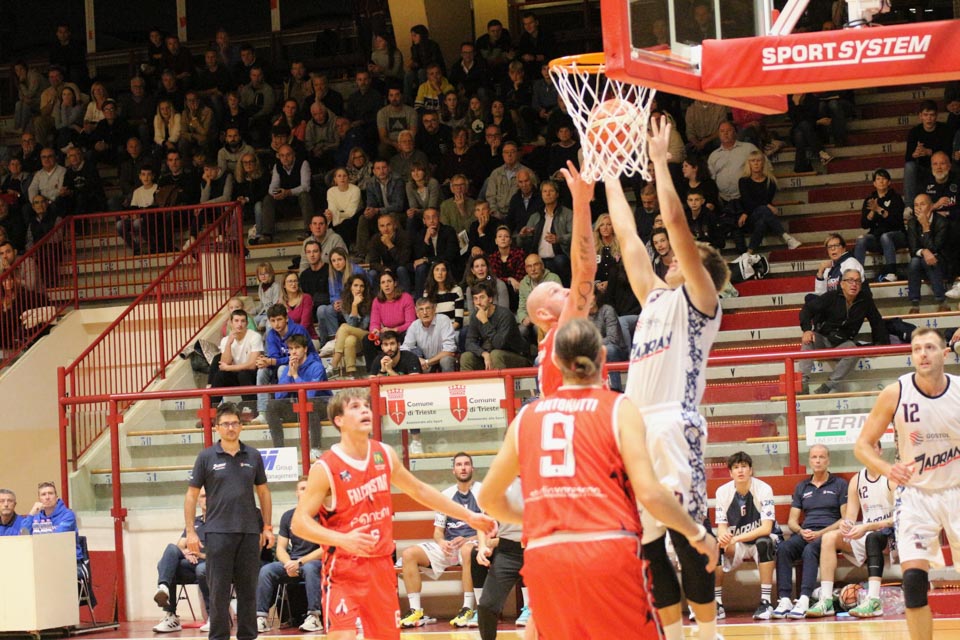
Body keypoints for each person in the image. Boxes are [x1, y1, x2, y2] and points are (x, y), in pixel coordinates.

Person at [478, 319, 718, 640]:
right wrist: (696, 533)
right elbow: (649, 493)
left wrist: (541, 515)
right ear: (603, 356)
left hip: (546, 556)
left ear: (555, 361)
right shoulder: (618, 408)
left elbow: (488, 499)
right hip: (608, 548)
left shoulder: (527, 417)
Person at [606, 116, 730, 640]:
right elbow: (628, 237)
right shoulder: (655, 297)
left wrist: (659, 162)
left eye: (681, 257)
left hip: (675, 425)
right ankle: (675, 635)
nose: (669, 257)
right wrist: (609, 173)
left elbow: (676, 225)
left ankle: (709, 632)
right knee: (649, 541)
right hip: (636, 427)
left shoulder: (701, 300)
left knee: (687, 535)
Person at [291, 389, 496, 640]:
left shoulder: (384, 454)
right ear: (339, 420)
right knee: (342, 635)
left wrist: (469, 516)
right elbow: (299, 523)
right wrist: (342, 539)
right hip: (344, 568)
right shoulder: (326, 467)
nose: (364, 410)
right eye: (355, 407)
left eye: (366, 405)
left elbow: (419, 490)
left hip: (381, 566)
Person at [855, 328, 960, 640]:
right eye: (916, 349)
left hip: (956, 490)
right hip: (915, 496)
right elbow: (862, 445)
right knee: (913, 581)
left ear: (945, 353)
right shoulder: (896, 392)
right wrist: (888, 469)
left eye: (930, 347)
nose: (923, 354)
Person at [185, 403, 275, 640]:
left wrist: (267, 527)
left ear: (241, 426)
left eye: (235, 423)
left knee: (248, 591)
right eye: (225, 424)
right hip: (218, 534)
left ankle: (248, 636)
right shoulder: (206, 457)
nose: (230, 428)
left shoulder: (253, 455)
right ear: (217, 428)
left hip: (249, 533)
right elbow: (191, 496)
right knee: (218, 592)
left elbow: (263, 492)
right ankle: (218, 637)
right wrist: (191, 532)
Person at [523, 161, 595, 391]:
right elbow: (585, 268)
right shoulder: (561, 333)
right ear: (544, 314)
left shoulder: (550, 343)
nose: (566, 290)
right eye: (555, 291)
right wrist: (582, 204)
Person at [806, 442, 895, 618]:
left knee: (873, 537)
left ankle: (873, 600)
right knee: (829, 538)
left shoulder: (891, 477)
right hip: (866, 531)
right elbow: (850, 517)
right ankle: (826, 600)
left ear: (880, 451)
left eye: (873, 447)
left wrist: (867, 526)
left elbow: (900, 516)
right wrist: (846, 525)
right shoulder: (857, 480)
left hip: (892, 534)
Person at [400, 452, 483, 628]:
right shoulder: (446, 495)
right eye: (459, 465)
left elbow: (490, 529)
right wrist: (442, 543)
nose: (463, 468)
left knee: (467, 550)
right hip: (450, 547)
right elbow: (438, 532)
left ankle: (468, 608)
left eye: (466, 464)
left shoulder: (482, 492)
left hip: (474, 545)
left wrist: (468, 538)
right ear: (453, 470)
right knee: (409, 554)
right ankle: (416, 611)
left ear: (472, 468)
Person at [772, 445, 848, 619]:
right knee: (783, 549)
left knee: (810, 550)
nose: (818, 461)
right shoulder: (802, 487)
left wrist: (821, 533)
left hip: (829, 536)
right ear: (810, 461)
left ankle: (805, 598)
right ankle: (785, 599)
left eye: (822, 457)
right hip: (806, 533)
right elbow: (792, 521)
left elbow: (844, 519)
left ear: (828, 460)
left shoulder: (839, 484)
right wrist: (801, 531)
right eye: (814, 457)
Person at [714, 451, 781, 620]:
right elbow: (722, 526)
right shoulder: (722, 492)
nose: (740, 470)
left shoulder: (764, 489)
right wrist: (723, 537)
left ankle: (766, 602)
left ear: (750, 470)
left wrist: (735, 538)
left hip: (763, 539)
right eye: (736, 467)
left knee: (764, 542)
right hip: (740, 543)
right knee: (715, 547)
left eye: (744, 466)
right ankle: (717, 603)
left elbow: (766, 528)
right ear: (730, 473)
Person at [799, 268, 889, 394]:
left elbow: (877, 322)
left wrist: (880, 344)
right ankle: (802, 384)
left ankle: (828, 386)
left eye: (857, 281)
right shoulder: (831, 297)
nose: (854, 284)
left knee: (853, 350)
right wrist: (807, 330)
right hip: (823, 338)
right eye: (850, 280)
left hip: (842, 343)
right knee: (808, 340)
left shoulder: (865, 300)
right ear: (842, 284)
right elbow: (807, 309)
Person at [255, 478, 324, 633]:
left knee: (310, 568)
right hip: (292, 563)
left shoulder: (322, 515)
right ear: (296, 492)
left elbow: (324, 549)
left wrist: (299, 563)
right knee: (267, 570)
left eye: (308, 488)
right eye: (302, 488)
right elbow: (281, 548)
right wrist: (288, 564)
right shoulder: (288, 516)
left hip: (315, 562)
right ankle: (261, 618)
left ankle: (314, 617)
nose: (305, 492)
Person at [152, 488, 210, 633]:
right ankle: (168, 606)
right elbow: (179, 546)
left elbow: (222, 553)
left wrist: (199, 554)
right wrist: (186, 553)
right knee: (169, 554)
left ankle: (213, 617)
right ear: (198, 501)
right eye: (203, 496)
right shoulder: (194, 523)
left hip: (210, 564)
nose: (207, 499)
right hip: (191, 564)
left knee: (201, 569)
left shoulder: (221, 522)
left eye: (210, 496)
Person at [254, 303, 317, 427]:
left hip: (305, 365)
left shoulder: (299, 330)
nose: (276, 324)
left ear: (286, 318)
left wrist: (272, 361)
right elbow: (275, 357)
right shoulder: (271, 334)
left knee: (283, 369)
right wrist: (266, 361)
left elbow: (298, 356)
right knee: (261, 371)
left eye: (279, 319)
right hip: (282, 364)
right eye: (273, 321)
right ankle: (262, 412)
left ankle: (285, 408)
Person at [736, 150, 802, 257]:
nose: (756, 163)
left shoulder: (770, 181)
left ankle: (749, 253)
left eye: (758, 160)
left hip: (765, 217)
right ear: (749, 164)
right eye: (753, 161)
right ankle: (786, 237)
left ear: (763, 163)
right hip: (750, 217)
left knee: (762, 221)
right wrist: (767, 205)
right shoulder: (743, 181)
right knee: (764, 209)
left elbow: (764, 200)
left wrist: (766, 205)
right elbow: (748, 201)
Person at [461, 280, 532, 371]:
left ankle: (498, 381)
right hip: (491, 355)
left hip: (517, 357)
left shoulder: (505, 315)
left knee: (495, 354)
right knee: (466, 357)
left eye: (482, 297)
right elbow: (469, 342)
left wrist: (485, 322)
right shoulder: (476, 316)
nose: (478, 302)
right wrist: (483, 353)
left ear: (490, 299)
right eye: (475, 299)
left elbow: (499, 344)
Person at [854, 168, 906, 282]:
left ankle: (892, 272)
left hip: (896, 236)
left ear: (889, 182)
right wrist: (872, 211)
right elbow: (864, 224)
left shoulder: (896, 198)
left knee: (885, 237)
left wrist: (880, 210)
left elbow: (896, 222)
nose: (881, 181)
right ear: (874, 183)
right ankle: (857, 275)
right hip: (877, 236)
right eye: (878, 179)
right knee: (861, 240)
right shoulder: (870, 200)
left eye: (884, 179)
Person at [903, 100, 953, 212]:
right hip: (922, 168)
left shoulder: (945, 130)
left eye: (932, 115)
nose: (929, 118)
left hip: (940, 166)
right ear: (920, 116)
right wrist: (915, 154)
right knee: (910, 166)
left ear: (936, 116)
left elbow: (948, 152)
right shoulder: (914, 132)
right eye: (926, 115)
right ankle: (909, 206)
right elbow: (908, 158)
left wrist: (929, 152)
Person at [208, 308, 264, 408]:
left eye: (243, 321)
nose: (240, 324)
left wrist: (229, 368)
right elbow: (224, 363)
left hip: (251, 374)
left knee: (243, 375)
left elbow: (252, 365)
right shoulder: (225, 340)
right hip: (235, 374)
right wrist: (229, 344)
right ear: (231, 323)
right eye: (236, 321)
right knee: (220, 375)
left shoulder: (255, 337)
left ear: (247, 323)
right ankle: (210, 410)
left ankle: (252, 409)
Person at [260, 144, 312, 243]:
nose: (285, 158)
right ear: (278, 156)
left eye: (288, 155)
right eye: (282, 155)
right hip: (285, 203)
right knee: (268, 198)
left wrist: (288, 192)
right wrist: (278, 193)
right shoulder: (277, 166)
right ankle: (267, 235)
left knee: (304, 195)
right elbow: (271, 188)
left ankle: (309, 232)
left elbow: (306, 187)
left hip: (301, 202)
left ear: (293, 155)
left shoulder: (303, 163)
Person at [906, 193, 949, 313]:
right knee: (914, 262)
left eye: (922, 204)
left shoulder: (942, 222)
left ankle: (941, 301)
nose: (918, 208)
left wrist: (925, 226)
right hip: (920, 262)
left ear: (931, 206)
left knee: (926, 261)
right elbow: (913, 249)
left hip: (940, 261)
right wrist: (924, 251)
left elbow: (935, 249)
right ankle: (915, 303)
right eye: (916, 205)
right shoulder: (912, 223)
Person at [329, 274, 372, 379]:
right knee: (349, 340)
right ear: (350, 287)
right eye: (355, 285)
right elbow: (352, 325)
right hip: (354, 339)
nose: (359, 289)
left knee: (344, 327)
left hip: (367, 337)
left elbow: (363, 326)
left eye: (362, 286)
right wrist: (354, 305)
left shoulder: (370, 302)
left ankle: (334, 363)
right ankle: (351, 374)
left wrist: (355, 305)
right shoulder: (345, 303)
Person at [402, 298, 457, 373]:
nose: (425, 312)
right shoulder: (414, 325)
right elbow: (404, 349)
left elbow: (449, 350)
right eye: (421, 309)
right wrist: (418, 360)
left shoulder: (443, 320)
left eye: (428, 308)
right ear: (417, 313)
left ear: (434, 310)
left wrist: (427, 362)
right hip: (425, 363)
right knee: (412, 361)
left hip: (442, 359)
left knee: (446, 360)